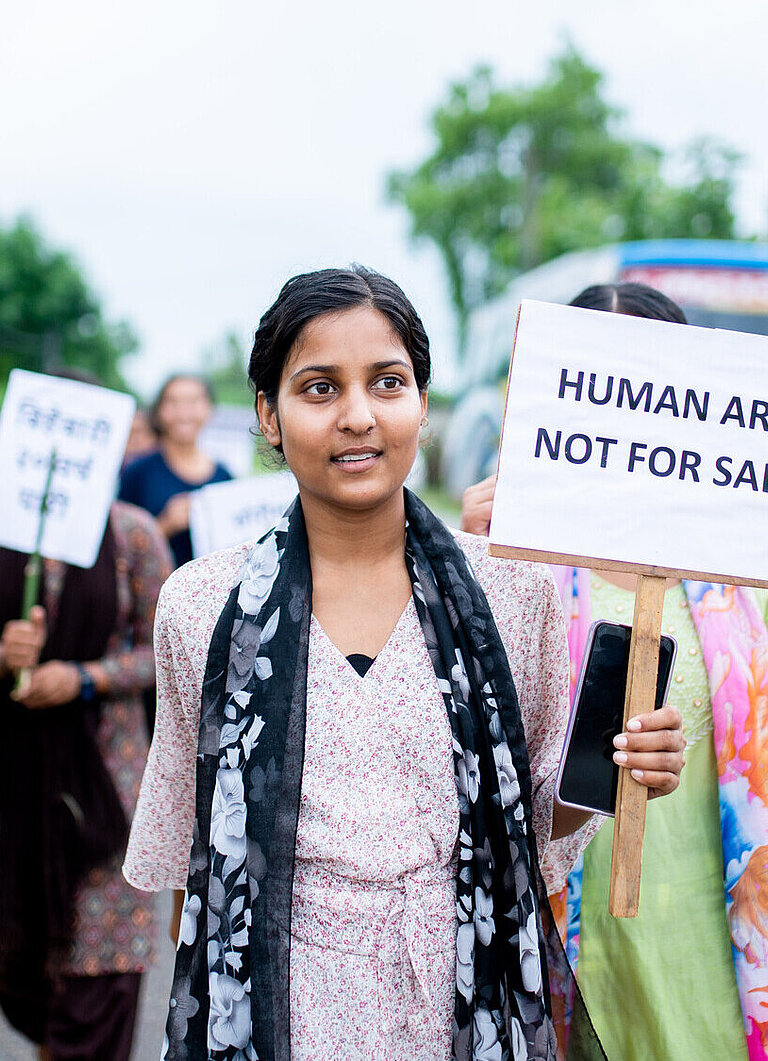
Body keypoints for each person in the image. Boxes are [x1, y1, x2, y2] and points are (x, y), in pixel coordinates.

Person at [124, 267, 683, 1061]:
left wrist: (618, 763)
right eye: (319, 388)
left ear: (423, 403)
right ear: (268, 415)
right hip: (280, 1012)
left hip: (465, 1002)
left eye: (388, 382)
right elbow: (193, 859)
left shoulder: (509, 592)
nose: (358, 416)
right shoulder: (200, 605)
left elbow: (530, 825)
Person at [460, 281, 768, 1061]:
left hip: (714, 921)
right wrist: (473, 559)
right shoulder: (515, 556)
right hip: (570, 925)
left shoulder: (735, 568)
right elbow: (462, 743)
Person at [0, 498, 174, 1061]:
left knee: (101, 982)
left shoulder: (132, 534)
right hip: (17, 796)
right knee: (25, 970)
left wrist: (85, 677)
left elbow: (172, 649)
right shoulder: (9, 529)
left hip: (107, 792)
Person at [119, 374, 232, 567]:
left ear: (209, 409)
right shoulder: (137, 472)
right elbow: (119, 544)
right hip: (153, 591)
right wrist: (165, 525)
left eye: (194, 401)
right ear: (159, 411)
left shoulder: (225, 478)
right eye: (173, 402)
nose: (184, 412)